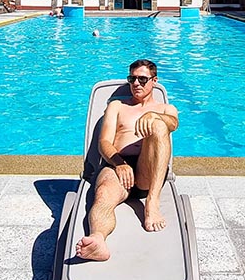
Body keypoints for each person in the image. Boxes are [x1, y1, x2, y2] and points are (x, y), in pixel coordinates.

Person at [75, 59, 178, 262]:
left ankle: (152, 203)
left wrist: (154, 116)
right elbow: (104, 141)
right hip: (116, 165)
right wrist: (119, 164)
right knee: (103, 194)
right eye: (132, 79)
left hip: (148, 170)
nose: (136, 84)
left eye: (142, 79)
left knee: (158, 126)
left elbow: (173, 123)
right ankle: (98, 240)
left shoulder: (166, 108)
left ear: (154, 80)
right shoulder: (117, 106)